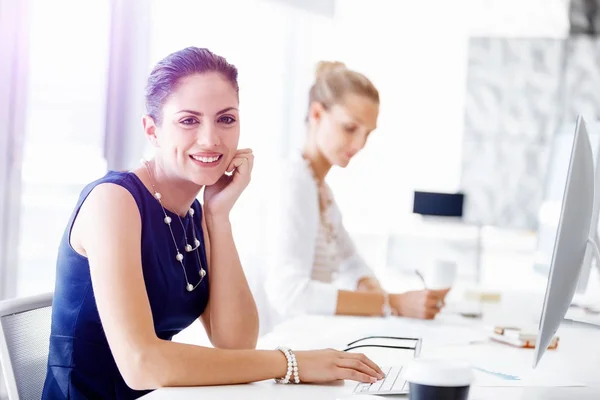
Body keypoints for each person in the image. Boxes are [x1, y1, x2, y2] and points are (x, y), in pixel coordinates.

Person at [41, 48, 384, 400]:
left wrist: (218, 217)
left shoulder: (194, 213)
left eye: (226, 119)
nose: (211, 139)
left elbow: (236, 342)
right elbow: (142, 364)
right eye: (189, 120)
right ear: (152, 130)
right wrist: (290, 363)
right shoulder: (114, 201)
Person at [264, 61, 449, 322]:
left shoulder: (321, 190)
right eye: (350, 128)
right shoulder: (294, 183)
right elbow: (289, 293)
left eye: (367, 134)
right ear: (316, 115)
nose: (360, 144)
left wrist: (383, 296)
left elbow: (351, 263)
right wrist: (392, 302)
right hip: (278, 344)